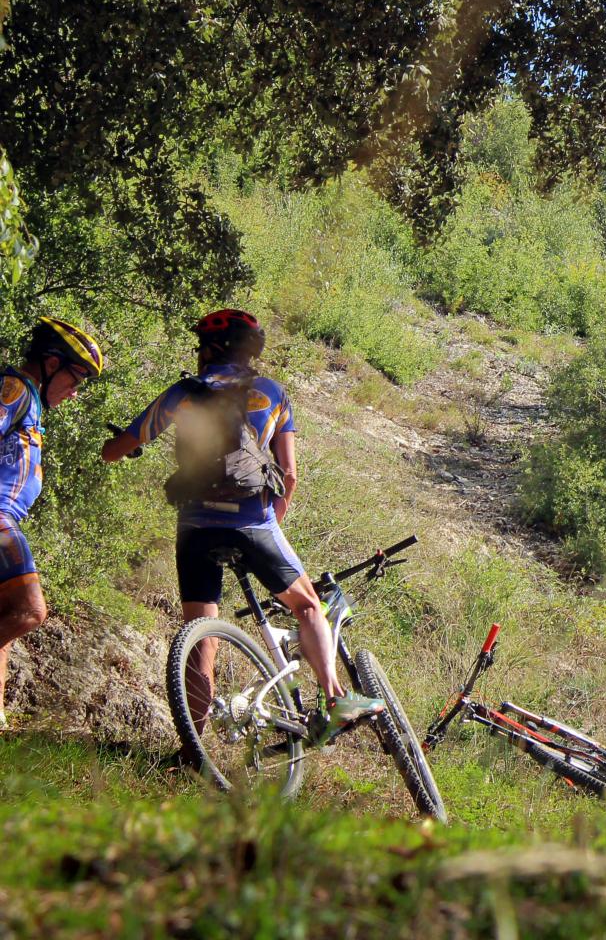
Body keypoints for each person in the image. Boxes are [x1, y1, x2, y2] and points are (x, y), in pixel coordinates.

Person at [102, 309, 383, 743]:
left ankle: (194, 750)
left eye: (201, 346)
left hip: (195, 527)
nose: (197, 354)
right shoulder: (272, 393)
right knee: (309, 605)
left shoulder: (183, 393)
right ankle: (335, 700)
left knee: (200, 640)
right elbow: (289, 474)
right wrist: (275, 520)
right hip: (253, 522)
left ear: (214, 350)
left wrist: (115, 447)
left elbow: (117, 449)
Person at [0, 317, 106, 730]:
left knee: (6, 618)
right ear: (50, 362)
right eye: (77, 376)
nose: (76, 391)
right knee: (29, 610)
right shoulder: (16, 389)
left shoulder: (30, 402)